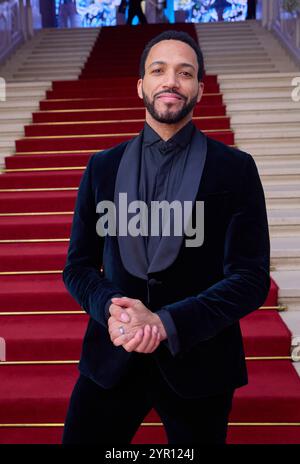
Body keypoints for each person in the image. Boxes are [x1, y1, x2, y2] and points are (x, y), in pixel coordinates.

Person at [62, 30, 270, 444]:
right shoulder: (101, 167)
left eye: (184, 72)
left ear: (199, 89)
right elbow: (79, 266)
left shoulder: (236, 169)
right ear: (141, 85)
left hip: (200, 361)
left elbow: (250, 279)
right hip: (112, 357)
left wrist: (165, 322)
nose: (171, 81)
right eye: (159, 70)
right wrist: (112, 309)